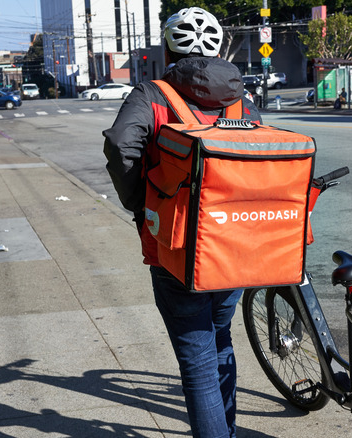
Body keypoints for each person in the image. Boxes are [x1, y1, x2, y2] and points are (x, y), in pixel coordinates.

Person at [103, 7, 261, 438]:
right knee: (220, 338)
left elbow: (121, 147)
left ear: (169, 47)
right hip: (230, 243)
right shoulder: (240, 100)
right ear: (218, 47)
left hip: (177, 248)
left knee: (197, 360)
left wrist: (142, 202)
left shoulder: (152, 94)